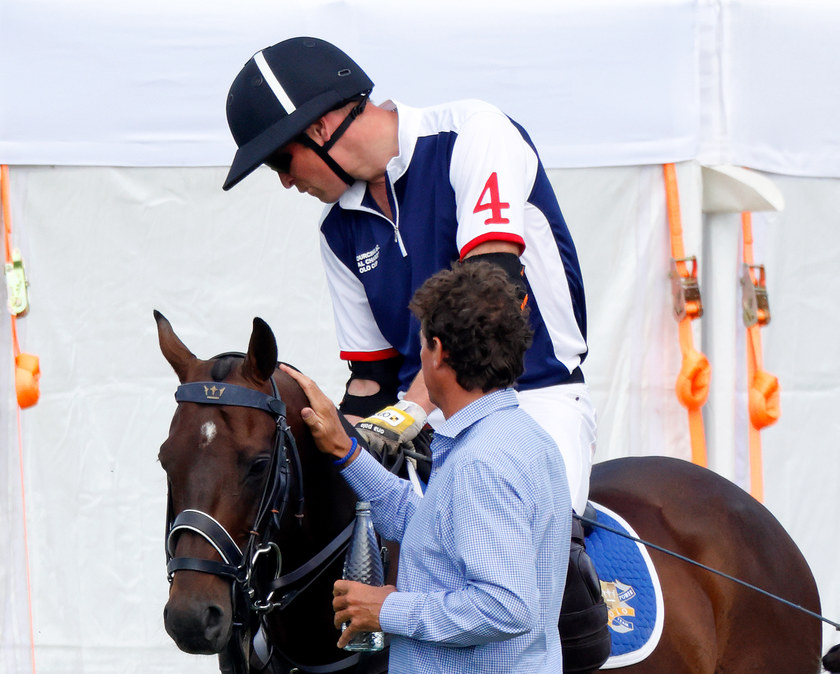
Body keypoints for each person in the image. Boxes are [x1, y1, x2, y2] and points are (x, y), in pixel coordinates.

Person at [224, 37, 610, 669]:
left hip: (532, 399)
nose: (288, 183)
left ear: (322, 125)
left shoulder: (475, 135)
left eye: (283, 162)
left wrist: (405, 416)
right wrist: (337, 434)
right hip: (427, 418)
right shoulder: (337, 234)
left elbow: (490, 295)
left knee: (553, 570)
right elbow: (370, 378)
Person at [282, 263, 570, 673]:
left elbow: (507, 606)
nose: (420, 357)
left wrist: (388, 608)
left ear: (438, 352)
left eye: (421, 346)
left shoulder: (480, 461)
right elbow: (431, 532)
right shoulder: (522, 438)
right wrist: (346, 450)